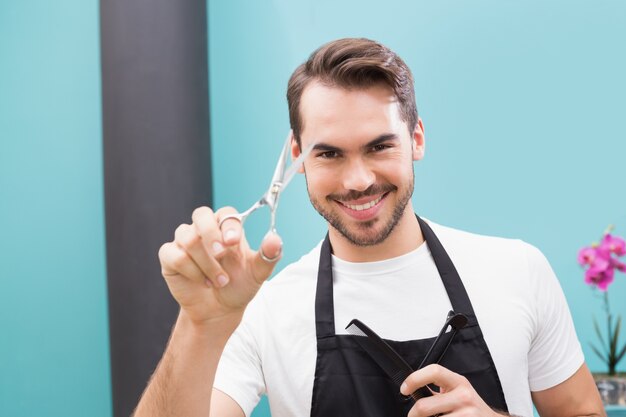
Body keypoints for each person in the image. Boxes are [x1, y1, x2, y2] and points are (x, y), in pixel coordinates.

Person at [134, 38, 605, 417]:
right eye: (329, 153)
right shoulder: (261, 312)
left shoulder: (516, 270)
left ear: (416, 139)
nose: (358, 181)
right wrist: (201, 324)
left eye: (379, 147)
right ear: (298, 157)